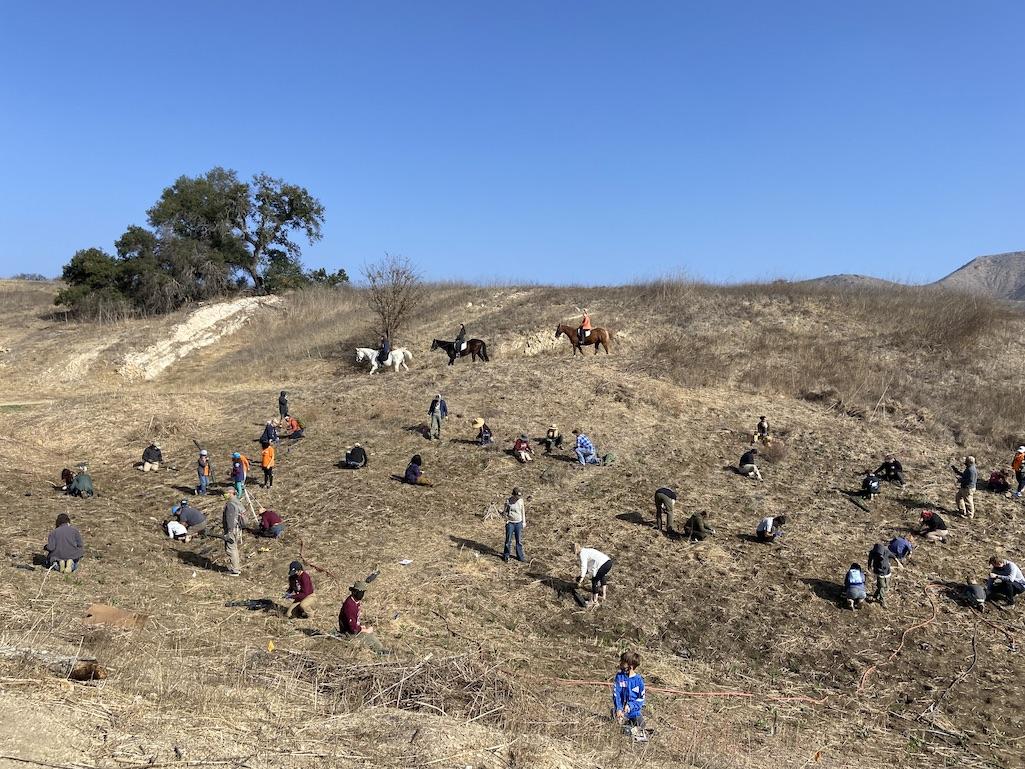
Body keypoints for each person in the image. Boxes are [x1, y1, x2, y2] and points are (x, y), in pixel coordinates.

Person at [339, 580, 386, 653]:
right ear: (354, 592)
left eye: (363, 592)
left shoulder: (354, 602)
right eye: (360, 592)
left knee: (370, 633)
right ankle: (381, 651)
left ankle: (380, 648)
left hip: (352, 630)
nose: (361, 594)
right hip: (348, 633)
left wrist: (360, 627)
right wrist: (363, 630)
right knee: (369, 636)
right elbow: (353, 628)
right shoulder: (350, 605)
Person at [612, 651, 647, 741]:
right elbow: (617, 694)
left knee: (641, 724)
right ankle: (623, 725)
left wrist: (630, 706)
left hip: (634, 712)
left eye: (623, 662)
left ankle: (633, 730)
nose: (620, 664)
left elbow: (641, 699)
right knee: (618, 723)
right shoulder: (619, 677)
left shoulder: (639, 681)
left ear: (630, 666)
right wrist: (619, 708)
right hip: (621, 712)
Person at [574, 543, 613, 608]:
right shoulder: (588, 550)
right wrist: (586, 573)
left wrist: (582, 577)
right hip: (608, 562)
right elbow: (590, 566)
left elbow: (584, 566)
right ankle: (604, 595)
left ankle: (594, 602)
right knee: (602, 576)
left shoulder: (582, 554)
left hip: (602, 564)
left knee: (595, 581)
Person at [222, 489, 245, 577]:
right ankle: (237, 568)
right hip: (238, 528)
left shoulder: (230, 504)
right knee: (234, 548)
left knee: (230, 549)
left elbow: (230, 518)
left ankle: (235, 570)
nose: (224, 495)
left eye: (226, 493)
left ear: (231, 493)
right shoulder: (238, 502)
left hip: (232, 530)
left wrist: (229, 531)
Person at [501, 487, 527, 562]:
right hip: (510, 523)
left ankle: (520, 556)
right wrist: (506, 520)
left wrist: (524, 522)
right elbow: (504, 512)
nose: (518, 498)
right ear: (514, 495)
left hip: (518, 523)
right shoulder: (508, 501)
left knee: (519, 541)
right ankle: (506, 555)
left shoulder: (521, 501)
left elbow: (523, 512)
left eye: (519, 496)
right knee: (508, 540)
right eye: (517, 496)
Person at [867, 542, 892, 607]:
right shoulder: (873, 553)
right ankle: (882, 600)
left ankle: (875, 596)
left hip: (887, 572)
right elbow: (870, 560)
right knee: (882, 587)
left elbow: (893, 556)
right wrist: (869, 566)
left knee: (886, 587)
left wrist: (898, 562)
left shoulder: (886, 551)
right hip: (879, 572)